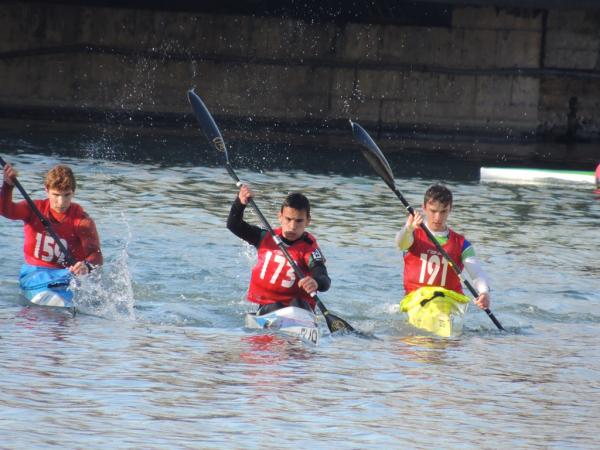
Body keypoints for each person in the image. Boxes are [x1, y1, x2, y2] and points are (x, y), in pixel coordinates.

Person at [1, 162, 103, 298]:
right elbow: (6, 211)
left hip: (67, 276)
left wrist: (86, 265)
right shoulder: (33, 210)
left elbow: (96, 255)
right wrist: (7, 186)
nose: (61, 202)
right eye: (56, 195)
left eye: (66, 195)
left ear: (73, 192)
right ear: (46, 191)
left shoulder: (83, 222)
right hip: (35, 274)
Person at [227, 184, 330, 315]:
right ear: (280, 217)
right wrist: (240, 203)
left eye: (299, 221)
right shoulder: (263, 237)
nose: (292, 226)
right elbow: (233, 225)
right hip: (268, 307)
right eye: (288, 219)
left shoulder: (310, 249)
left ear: (308, 221)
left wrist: (316, 282)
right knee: (275, 306)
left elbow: (323, 277)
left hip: (301, 310)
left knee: (298, 303)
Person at [395, 184, 490, 311]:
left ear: (450, 209)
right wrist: (408, 228)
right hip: (415, 301)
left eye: (443, 211)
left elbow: (477, 273)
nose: (438, 217)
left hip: (449, 302)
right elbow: (401, 244)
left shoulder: (462, 244)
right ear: (424, 208)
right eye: (433, 211)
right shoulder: (412, 234)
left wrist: (484, 293)